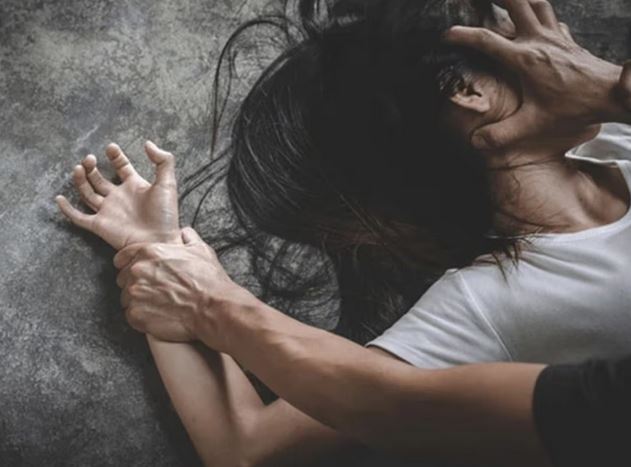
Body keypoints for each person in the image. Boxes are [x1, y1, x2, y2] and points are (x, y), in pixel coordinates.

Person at [55, 0, 631, 465]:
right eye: (509, 32)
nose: (561, 33)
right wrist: (160, 257)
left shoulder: (614, 134)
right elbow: (249, 446)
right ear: (469, 92)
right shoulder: (493, 300)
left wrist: (613, 90)